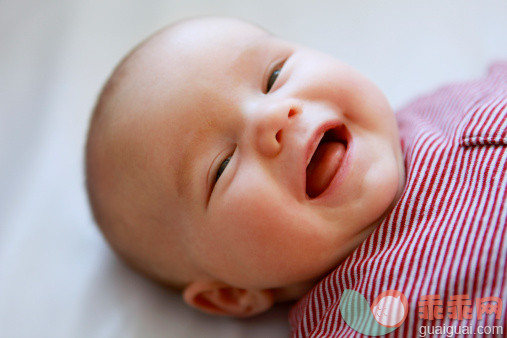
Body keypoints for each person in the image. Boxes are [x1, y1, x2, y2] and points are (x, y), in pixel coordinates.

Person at [85, 16, 506, 334]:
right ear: (231, 294)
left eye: (273, 77)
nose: (272, 117)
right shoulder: (356, 320)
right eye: (223, 166)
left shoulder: (448, 105)